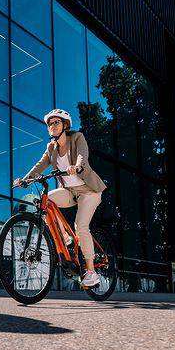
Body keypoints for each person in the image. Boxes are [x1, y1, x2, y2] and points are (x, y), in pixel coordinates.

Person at [12, 109, 107, 288]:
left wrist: (76, 166)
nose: (52, 126)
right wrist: (25, 179)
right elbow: (40, 165)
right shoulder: (51, 148)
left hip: (89, 190)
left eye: (56, 122)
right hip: (70, 191)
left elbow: (82, 155)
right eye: (50, 124)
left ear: (65, 125)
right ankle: (65, 238)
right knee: (43, 201)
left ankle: (91, 272)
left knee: (81, 226)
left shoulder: (77, 137)